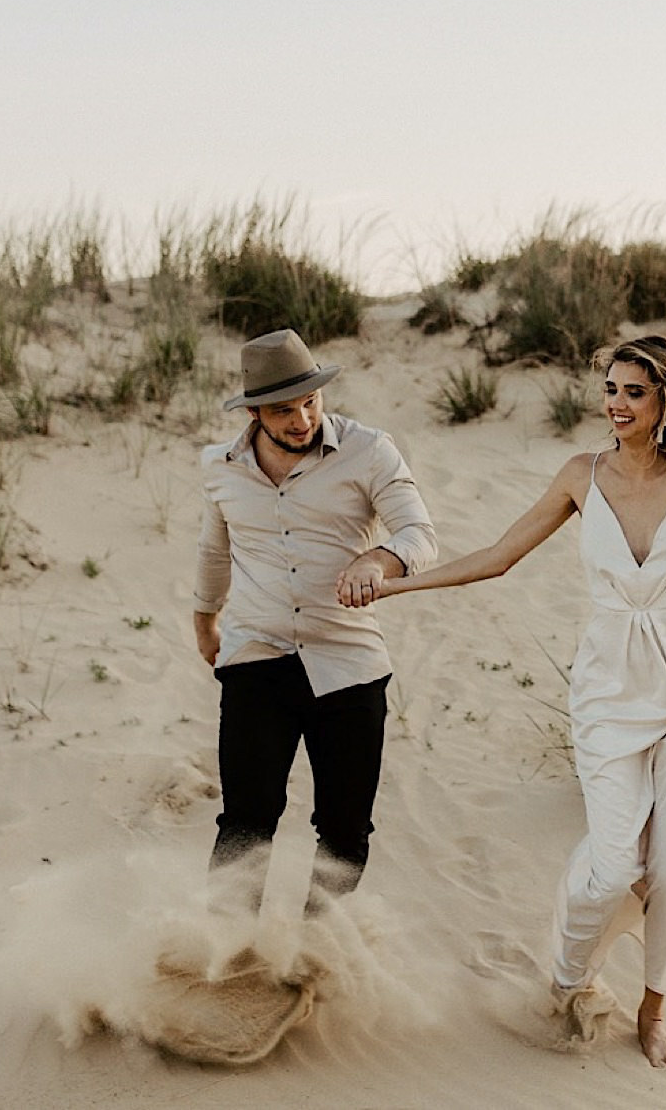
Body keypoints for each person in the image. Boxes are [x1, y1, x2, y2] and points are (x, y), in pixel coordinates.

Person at [348, 333, 666, 1069]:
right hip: (607, 689)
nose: (616, 404)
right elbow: (498, 557)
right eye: (610, 389)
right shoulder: (579, 475)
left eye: (634, 391)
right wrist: (393, 585)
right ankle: (569, 979)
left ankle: (652, 1011)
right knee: (610, 859)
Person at [191, 328, 438, 916]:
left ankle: (311, 953)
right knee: (246, 825)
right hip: (257, 658)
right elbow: (214, 551)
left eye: (311, 402)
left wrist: (379, 558)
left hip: (349, 664)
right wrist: (205, 623)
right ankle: (229, 957)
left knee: (345, 834)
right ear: (254, 412)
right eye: (284, 410)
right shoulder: (219, 466)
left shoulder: (370, 449)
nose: (303, 419)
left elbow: (419, 534)